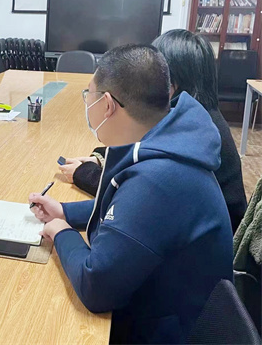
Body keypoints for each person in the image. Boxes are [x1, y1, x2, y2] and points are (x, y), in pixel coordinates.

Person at [30, 45, 233, 343]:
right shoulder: (167, 138)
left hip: (166, 332)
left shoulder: (158, 181)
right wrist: (65, 211)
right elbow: (126, 209)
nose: (87, 103)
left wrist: (61, 232)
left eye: (88, 95)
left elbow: (95, 286)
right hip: (165, 307)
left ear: (107, 105)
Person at [59, 30, 247, 232]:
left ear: (170, 86)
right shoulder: (194, 117)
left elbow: (141, 192)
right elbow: (143, 146)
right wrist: (101, 158)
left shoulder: (196, 134)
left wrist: (84, 173)